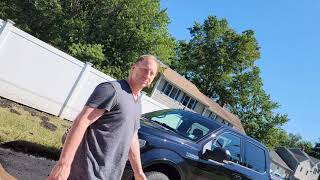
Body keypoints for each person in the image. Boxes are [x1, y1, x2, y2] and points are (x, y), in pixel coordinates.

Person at [48, 55, 159, 180]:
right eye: (145, 69)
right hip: (85, 173)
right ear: (133, 67)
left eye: (152, 73)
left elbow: (132, 136)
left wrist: (138, 171)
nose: (147, 75)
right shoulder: (112, 90)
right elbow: (82, 121)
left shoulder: (137, 102)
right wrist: (63, 164)